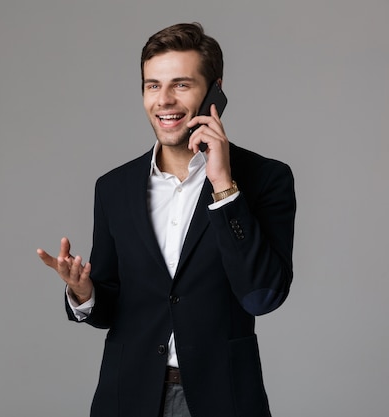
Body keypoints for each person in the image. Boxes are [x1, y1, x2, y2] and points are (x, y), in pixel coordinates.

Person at [37, 22, 296, 417]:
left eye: (182, 84)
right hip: (129, 398)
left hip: (223, 399)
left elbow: (262, 296)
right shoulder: (113, 188)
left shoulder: (266, 179)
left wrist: (224, 187)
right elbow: (112, 308)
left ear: (215, 91)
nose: (165, 100)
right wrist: (85, 293)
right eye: (153, 85)